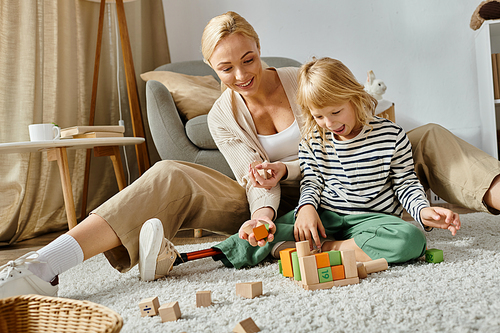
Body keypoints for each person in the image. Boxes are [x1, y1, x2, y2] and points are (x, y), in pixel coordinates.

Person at [0, 11, 498, 298]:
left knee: (426, 132)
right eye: (226, 68)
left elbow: (331, 152)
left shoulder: (302, 83)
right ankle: (44, 265)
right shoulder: (221, 115)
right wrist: (263, 210)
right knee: (169, 171)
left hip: (336, 185)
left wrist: (288, 168)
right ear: (212, 68)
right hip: (270, 201)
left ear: (260, 49)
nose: (242, 75)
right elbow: (251, 178)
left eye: (249, 59)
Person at [213, 57, 460, 268]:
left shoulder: (392, 135)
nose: (329, 123)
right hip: (327, 217)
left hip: (373, 220)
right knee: (264, 231)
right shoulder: (312, 139)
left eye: (336, 112)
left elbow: (405, 182)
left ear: (353, 97)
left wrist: (422, 210)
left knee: (411, 239)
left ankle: (320, 250)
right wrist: (307, 209)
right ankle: (242, 249)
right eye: (319, 116)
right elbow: (311, 181)